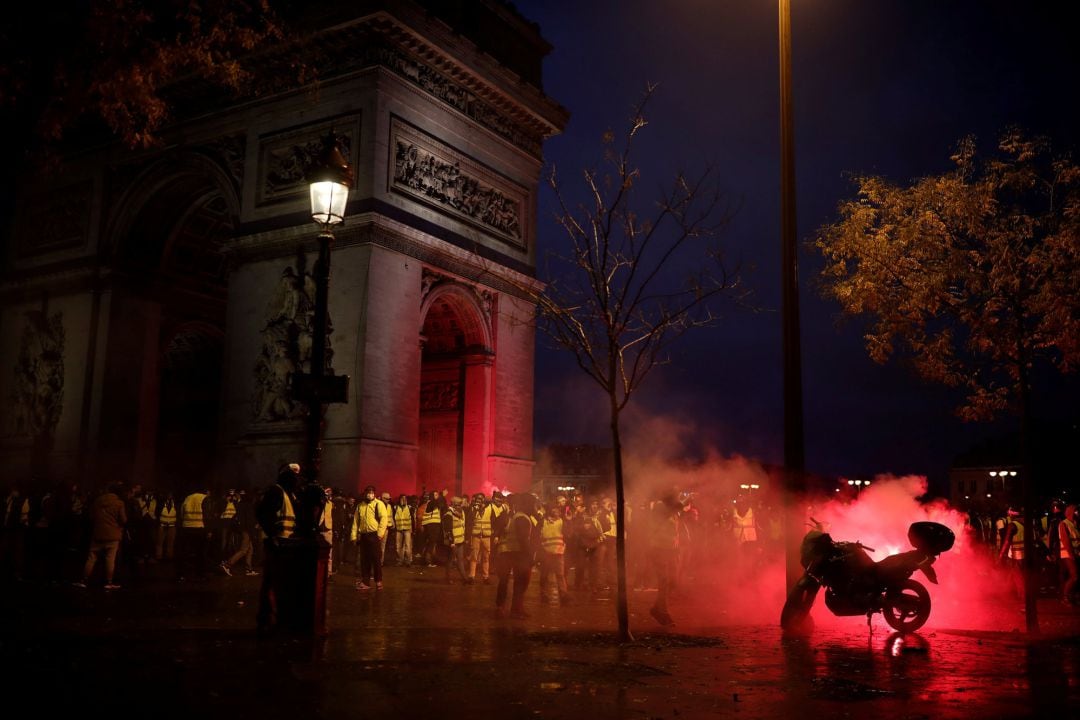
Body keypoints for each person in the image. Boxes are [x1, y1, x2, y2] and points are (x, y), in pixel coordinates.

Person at [255, 463, 301, 633]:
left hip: (285, 544)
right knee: (272, 582)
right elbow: (262, 513)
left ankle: (273, 617)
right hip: (277, 544)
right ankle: (267, 618)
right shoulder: (276, 491)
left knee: (278, 582)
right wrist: (272, 535)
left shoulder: (287, 494)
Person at [74, 483, 127, 590]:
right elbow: (124, 520)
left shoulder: (97, 501)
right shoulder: (119, 503)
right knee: (110, 559)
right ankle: (109, 581)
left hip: (98, 533)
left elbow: (91, 517)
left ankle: (83, 580)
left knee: (92, 558)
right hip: (113, 534)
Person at [493, 493, 538, 620]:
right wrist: (530, 556)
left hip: (509, 552)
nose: (534, 507)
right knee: (515, 581)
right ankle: (508, 608)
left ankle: (513, 608)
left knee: (513, 581)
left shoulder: (521, 516)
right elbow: (523, 539)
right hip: (511, 552)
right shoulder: (521, 518)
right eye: (533, 504)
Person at [352, 485, 388, 590]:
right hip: (364, 536)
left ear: (374, 494)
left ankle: (378, 581)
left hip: (374, 535)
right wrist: (354, 536)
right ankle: (366, 582)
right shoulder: (360, 506)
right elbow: (355, 522)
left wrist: (379, 534)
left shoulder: (379, 504)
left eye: (372, 492)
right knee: (365, 560)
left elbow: (384, 519)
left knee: (376, 559)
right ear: (365, 493)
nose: (370, 494)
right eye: (368, 492)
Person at [443, 496, 468, 583]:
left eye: (461, 504)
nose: (461, 506)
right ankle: (448, 578)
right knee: (450, 560)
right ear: (453, 505)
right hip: (453, 542)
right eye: (459, 505)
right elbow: (448, 530)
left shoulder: (461, 512)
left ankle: (464, 578)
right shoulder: (448, 514)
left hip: (460, 540)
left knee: (460, 560)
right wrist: (451, 542)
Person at [1059, 503, 1079, 606]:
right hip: (1068, 554)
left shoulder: (1075, 523)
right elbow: (1066, 541)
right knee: (1074, 576)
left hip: (1075, 553)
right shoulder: (1064, 524)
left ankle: (1072, 596)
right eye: (1076, 511)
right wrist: (1072, 555)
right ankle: (1065, 597)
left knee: (1076, 576)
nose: (1078, 513)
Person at [393, 494, 414, 566]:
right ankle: (400, 560)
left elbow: (413, 519)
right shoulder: (395, 508)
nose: (404, 500)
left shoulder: (409, 507)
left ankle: (408, 561)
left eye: (405, 499)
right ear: (399, 499)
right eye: (402, 498)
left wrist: (413, 529)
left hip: (407, 529)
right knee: (398, 546)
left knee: (408, 546)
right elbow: (393, 518)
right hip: (398, 529)